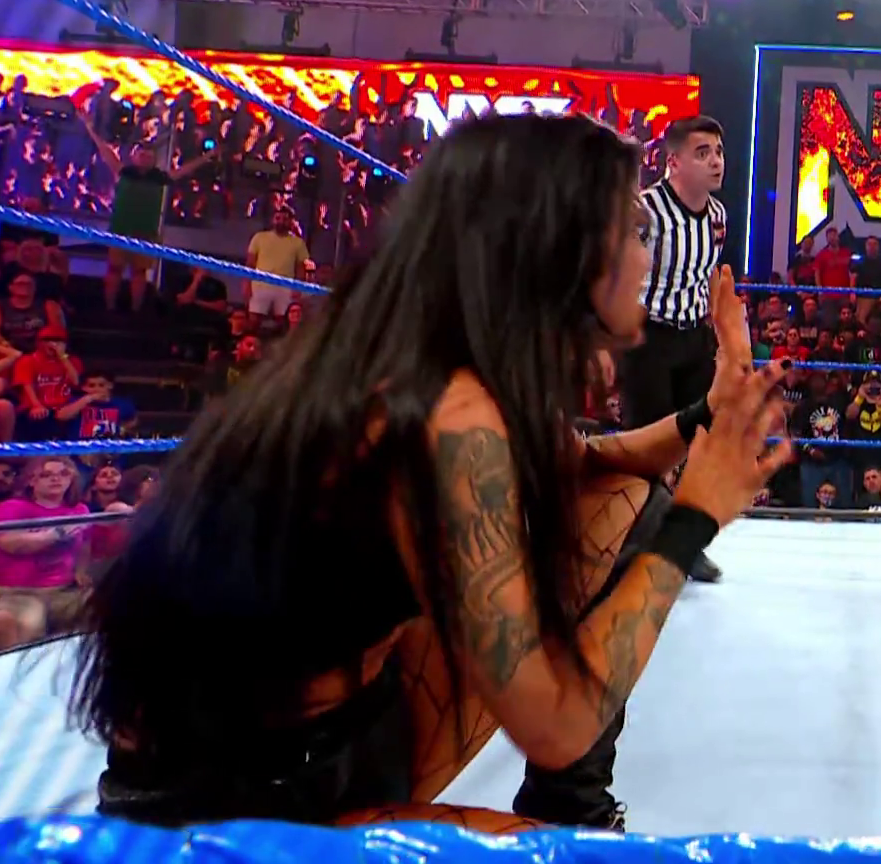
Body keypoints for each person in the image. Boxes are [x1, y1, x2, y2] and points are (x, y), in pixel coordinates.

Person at [70, 113, 792, 831]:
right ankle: (572, 830)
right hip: (226, 799)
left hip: (342, 730)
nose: (647, 255)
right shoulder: (448, 410)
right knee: (646, 521)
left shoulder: (440, 361)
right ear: (558, 248)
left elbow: (586, 462)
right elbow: (557, 728)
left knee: (622, 500)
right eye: (632, 231)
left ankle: (575, 812)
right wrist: (694, 516)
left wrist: (708, 413)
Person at [617, 115, 729, 586]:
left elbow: (707, 278)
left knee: (699, 445)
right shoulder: (646, 210)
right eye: (703, 153)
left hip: (693, 338)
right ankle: (636, 544)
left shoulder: (718, 216)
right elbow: (619, 268)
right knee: (648, 447)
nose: (716, 161)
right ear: (675, 162)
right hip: (648, 338)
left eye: (718, 151)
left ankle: (685, 544)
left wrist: (720, 339)